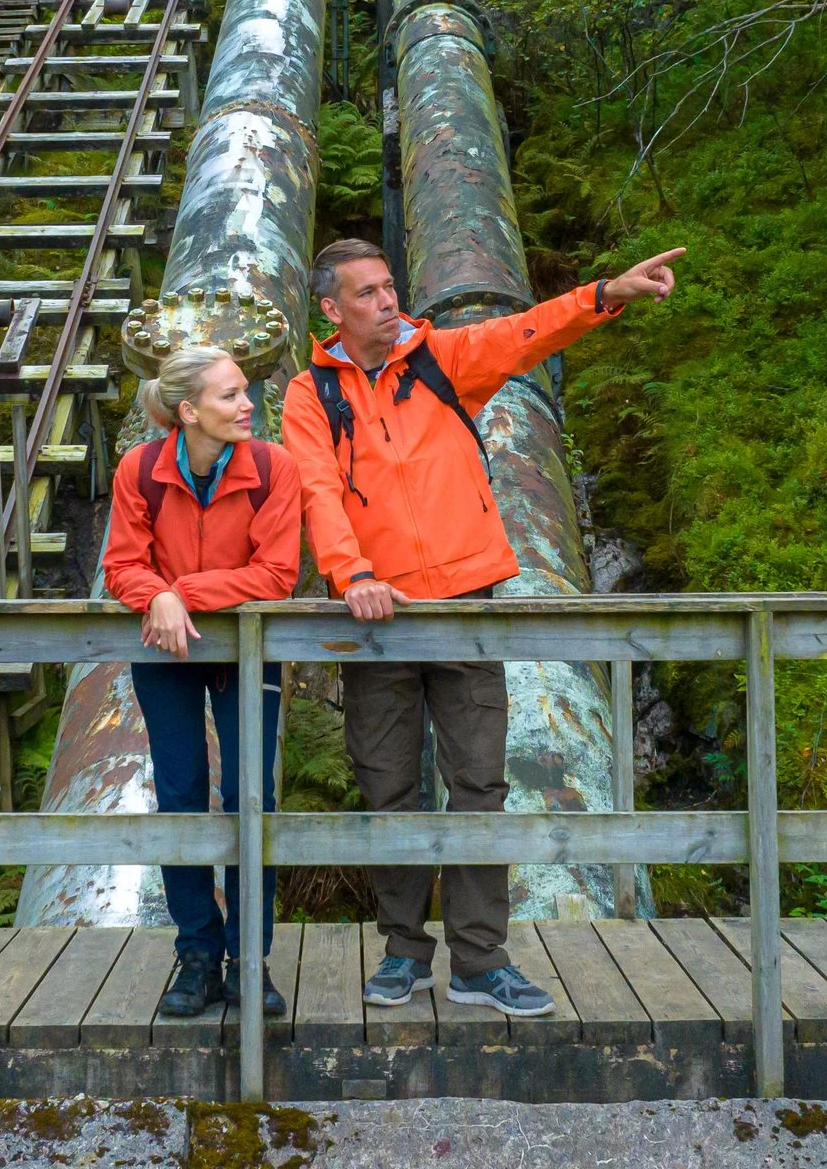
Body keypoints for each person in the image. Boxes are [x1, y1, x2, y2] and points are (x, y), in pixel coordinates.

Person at [283, 237, 686, 1017]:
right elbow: (316, 489)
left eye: (389, 286)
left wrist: (606, 293)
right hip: (379, 624)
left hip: (468, 610)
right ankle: (402, 951)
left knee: (478, 786)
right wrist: (351, 574)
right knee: (388, 788)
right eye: (365, 293)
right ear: (331, 309)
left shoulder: (441, 360)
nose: (387, 301)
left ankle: (479, 960)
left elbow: (527, 332)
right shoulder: (313, 395)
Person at [100, 342, 302, 1020]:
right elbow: (121, 564)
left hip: (248, 650)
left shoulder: (274, 469)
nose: (248, 405)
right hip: (168, 656)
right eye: (230, 396)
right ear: (188, 411)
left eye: (246, 392)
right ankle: (196, 957)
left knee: (253, 795)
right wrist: (154, 596)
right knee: (180, 796)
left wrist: (178, 591)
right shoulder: (142, 469)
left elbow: (277, 575)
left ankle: (250, 960)